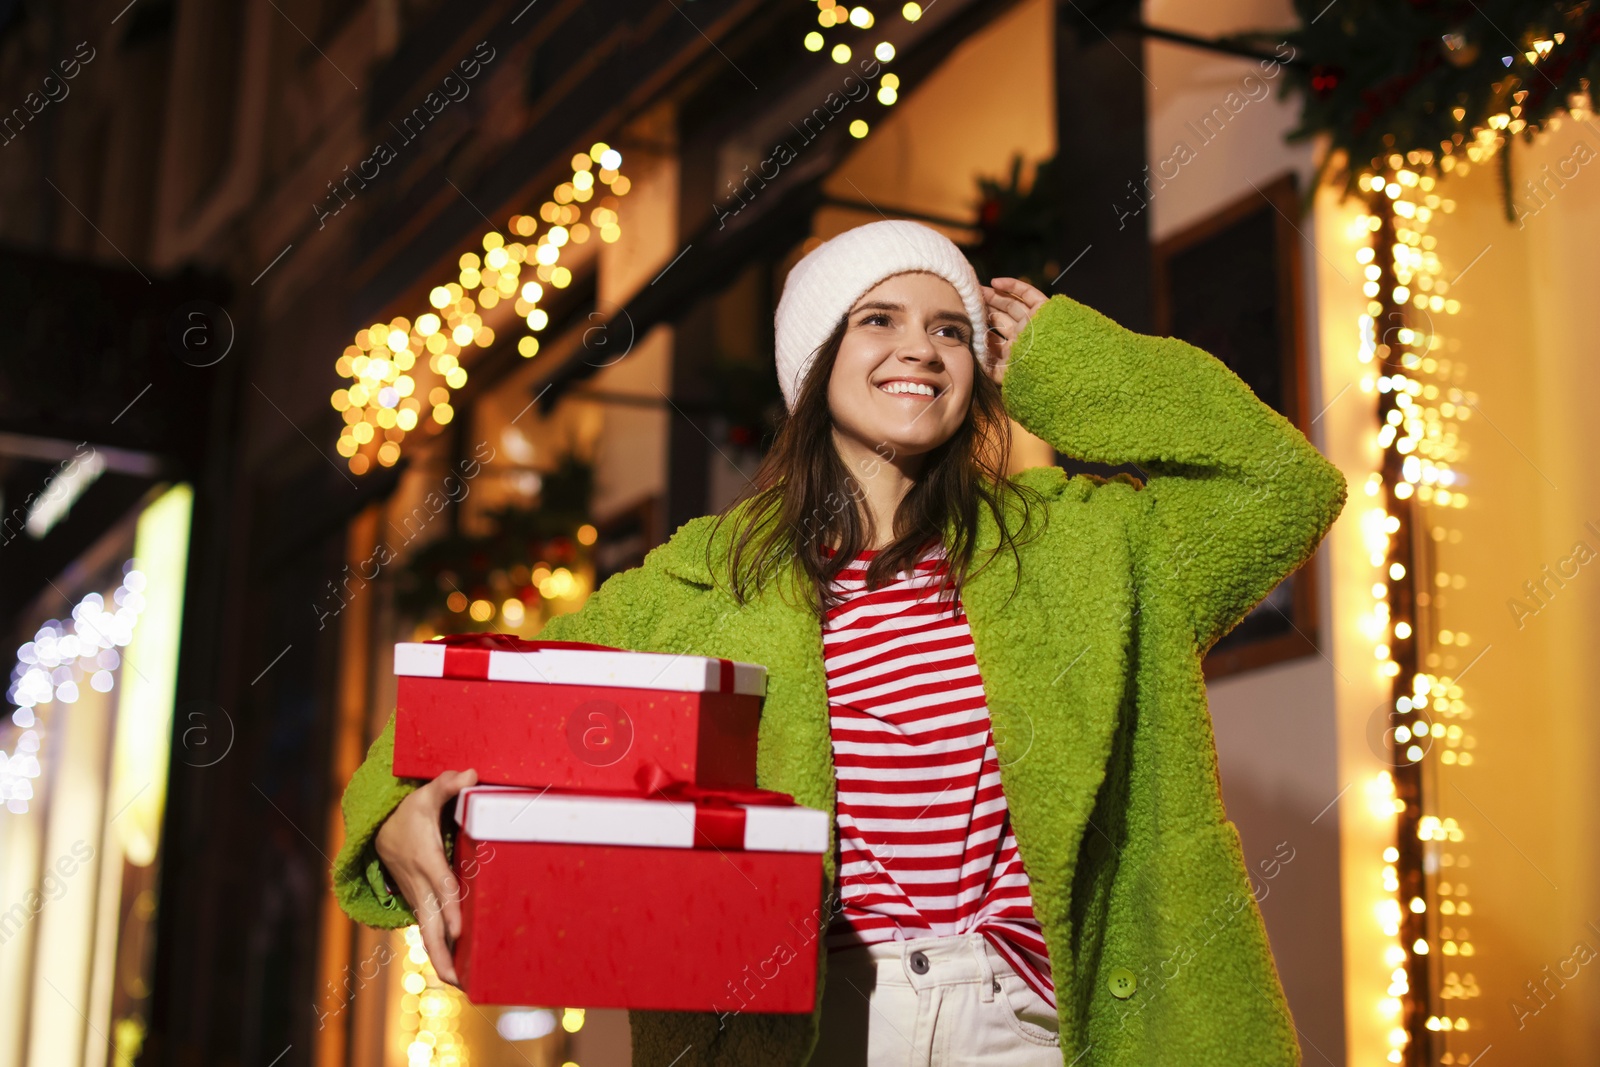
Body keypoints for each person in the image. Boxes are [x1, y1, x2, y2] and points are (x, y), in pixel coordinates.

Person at [332, 219, 1347, 1066]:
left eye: (952, 327)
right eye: (878, 320)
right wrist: (395, 804)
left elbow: (1280, 486)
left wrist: (1065, 362)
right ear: (813, 363)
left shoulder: (1091, 547)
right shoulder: (698, 582)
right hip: (818, 1026)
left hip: (1034, 1024)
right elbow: (468, 705)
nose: (921, 346)